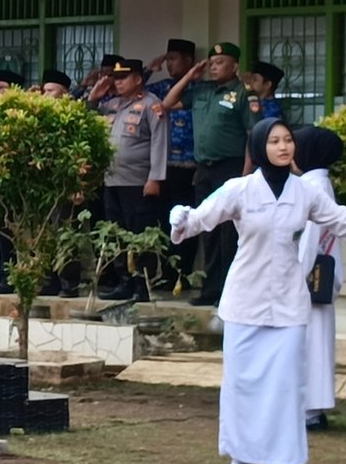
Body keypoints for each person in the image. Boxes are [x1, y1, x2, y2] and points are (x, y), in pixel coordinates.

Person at [172, 119, 346, 464]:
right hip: (244, 300)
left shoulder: (307, 193)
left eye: (287, 140)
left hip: (287, 303)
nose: (284, 147)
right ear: (259, 145)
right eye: (274, 140)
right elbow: (200, 218)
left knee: (282, 388)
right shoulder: (240, 189)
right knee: (240, 384)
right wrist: (181, 219)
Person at [161, 43, 259, 306]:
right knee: (207, 228)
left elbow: (252, 137)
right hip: (204, 169)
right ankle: (210, 289)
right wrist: (189, 76)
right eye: (211, 63)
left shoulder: (243, 94)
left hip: (231, 168)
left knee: (229, 233)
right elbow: (167, 103)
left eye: (220, 63)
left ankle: (229, 291)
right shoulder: (201, 90)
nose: (214, 67)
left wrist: (245, 175)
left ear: (235, 66)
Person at [88, 59, 169, 303]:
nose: (118, 82)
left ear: (138, 79)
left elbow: (159, 142)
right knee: (117, 232)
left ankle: (141, 283)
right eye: (116, 77)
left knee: (139, 233)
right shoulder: (111, 105)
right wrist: (93, 97)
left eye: (124, 78)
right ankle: (124, 279)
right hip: (112, 180)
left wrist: (155, 177)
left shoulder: (151, 105)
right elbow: (86, 121)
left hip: (138, 181)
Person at [293, 127, 346, 431]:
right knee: (316, 343)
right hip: (320, 278)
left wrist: (296, 276)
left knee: (310, 345)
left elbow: (310, 240)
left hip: (312, 280)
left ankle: (309, 411)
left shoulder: (312, 187)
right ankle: (311, 409)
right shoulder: (317, 183)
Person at [145, 39, 200, 289]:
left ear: (189, 61)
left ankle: (182, 274)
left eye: (174, 58)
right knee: (163, 220)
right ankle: (166, 273)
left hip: (190, 166)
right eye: (167, 59)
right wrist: (149, 68)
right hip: (164, 166)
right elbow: (133, 89)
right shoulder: (164, 88)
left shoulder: (201, 88)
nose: (169, 64)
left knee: (186, 222)